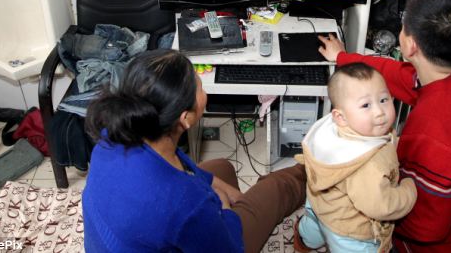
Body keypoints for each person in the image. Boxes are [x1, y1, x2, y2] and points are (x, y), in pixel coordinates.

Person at [318, 0, 451, 253]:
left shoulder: (433, 136)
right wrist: (344, 58)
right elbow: (395, 74)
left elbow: (426, 227)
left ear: (409, 45)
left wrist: (368, 214)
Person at [82, 49, 306, 253]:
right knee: (278, 186)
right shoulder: (186, 202)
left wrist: (217, 190)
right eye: (200, 87)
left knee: (222, 168)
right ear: (185, 118)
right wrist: (224, 208)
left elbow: (174, 163)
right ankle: (312, 170)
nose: (204, 90)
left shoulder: (114, 133)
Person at [294, 62, 417, 253]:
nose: (379, 112)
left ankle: (304, 240)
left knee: (313, 225)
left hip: (320, 204)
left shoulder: (331, 127)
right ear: (340, 116)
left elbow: (388, 139)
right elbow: (381, 206)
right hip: (348, 233)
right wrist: (409, 191)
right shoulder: (366, 165)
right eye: (366, 105)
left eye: (384, 99)